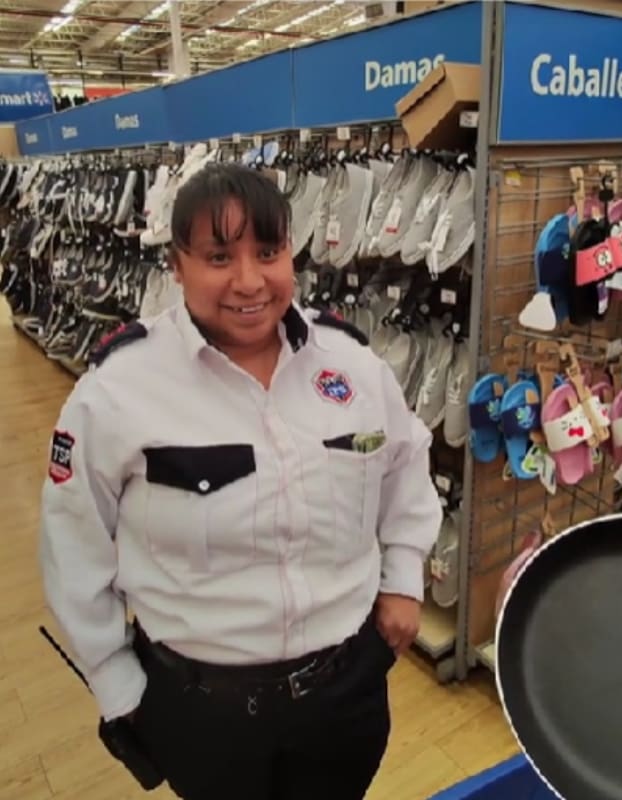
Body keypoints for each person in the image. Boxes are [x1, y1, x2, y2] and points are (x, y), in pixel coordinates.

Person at [39, 162, 443, 800]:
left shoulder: (354, 367)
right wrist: (115, 681)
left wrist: (403, 581)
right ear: (177, 264)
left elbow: (405, 464)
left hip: (344, 693)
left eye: (269, 251)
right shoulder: (118, 392)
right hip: (203, 711)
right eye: (219, 256)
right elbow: (73, 543)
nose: (249, 281)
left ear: (292, 253)